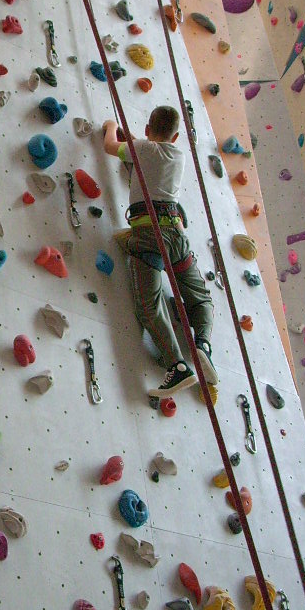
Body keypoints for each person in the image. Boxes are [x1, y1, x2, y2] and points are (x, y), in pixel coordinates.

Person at [100, 106, 218, 399]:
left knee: (149, 305)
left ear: (147, 128)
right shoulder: (178, 156)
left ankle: (177, 366)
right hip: (177, 235)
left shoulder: (142, 148)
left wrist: (111, 124)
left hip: (149, 236)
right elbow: (149, 155)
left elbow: (110, 146)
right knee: (200, 296)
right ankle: (203, 344)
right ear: (175, 137)